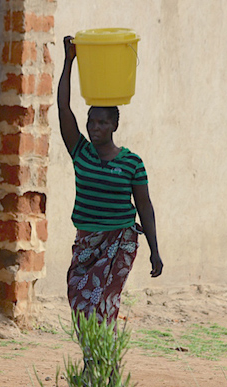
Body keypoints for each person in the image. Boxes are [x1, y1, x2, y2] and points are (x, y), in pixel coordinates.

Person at [58, 35, 163, 326]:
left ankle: (103, 364)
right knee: (81, 303)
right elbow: (64, 109)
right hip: (87, 242)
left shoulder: (132, 163)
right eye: (91, 122)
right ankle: (97, 362)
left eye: (102, 122)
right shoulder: (81, 153)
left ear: (115, 125)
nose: (95, 128)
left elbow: (145, 207)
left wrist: (155, 250)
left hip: (120, 242)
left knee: (105, 303)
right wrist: (69, 62)